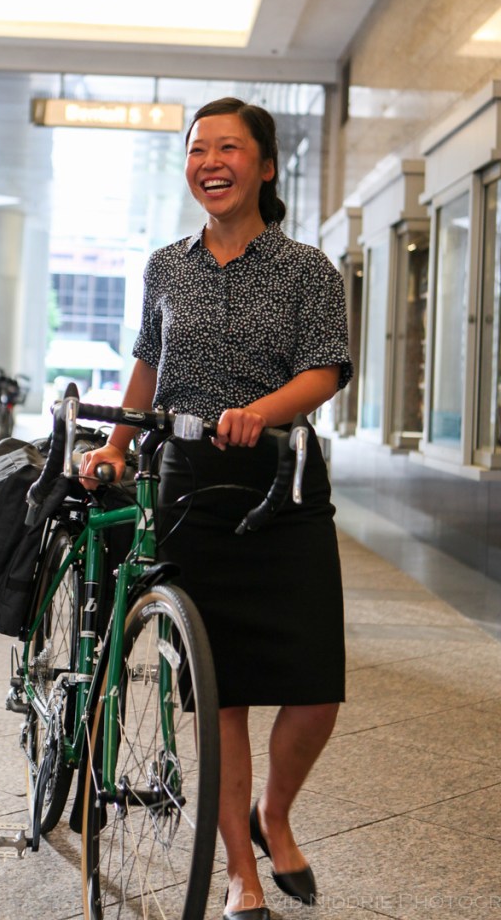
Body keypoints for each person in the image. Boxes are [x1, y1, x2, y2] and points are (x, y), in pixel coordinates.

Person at [81, 97, 353, 920]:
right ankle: (239, 866)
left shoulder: (308, 269)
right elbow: (147, 362)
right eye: (198, 149)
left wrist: (261, 410)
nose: (210, 161)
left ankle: (274, 813)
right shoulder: (166, 265)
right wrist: (119, 446)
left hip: (283, 484)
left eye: (228, 147)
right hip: (190, 488)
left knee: (316, 690)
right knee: (223, 690)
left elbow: (328, 370)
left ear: (264, 166)